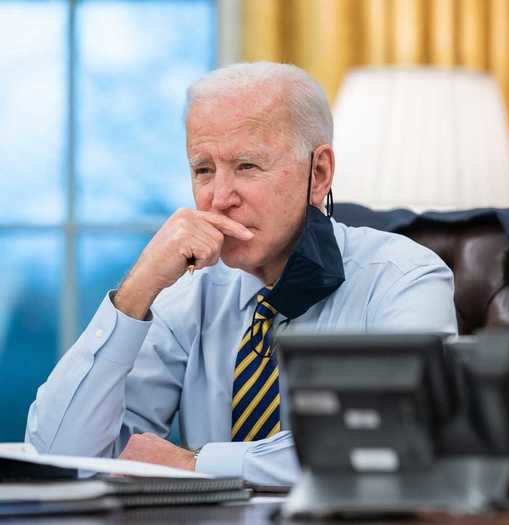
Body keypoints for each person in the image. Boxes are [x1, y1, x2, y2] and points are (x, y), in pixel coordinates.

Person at [25, 62, 458, 486]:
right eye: (203, 170)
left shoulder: (405, 278)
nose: (218, 199)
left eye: (247, 166)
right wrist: (137, 290)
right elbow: (58, 458)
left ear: (318, 173)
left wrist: (199, 464)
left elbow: (401, 441)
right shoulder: (188, 296)